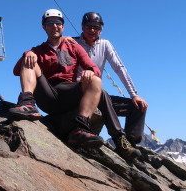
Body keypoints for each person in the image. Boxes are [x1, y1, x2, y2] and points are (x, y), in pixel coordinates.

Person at [9, 9, 141, 160]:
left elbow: (94, 68)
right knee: (29, 60)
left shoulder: (72, 45)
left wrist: (90, 72)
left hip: (68, 92)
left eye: (58, 23)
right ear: (44, 27)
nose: (54, 26)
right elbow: (16, 71)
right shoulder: (38, 50)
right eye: (50, 23)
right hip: (47, 92)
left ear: (63, 27)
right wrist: (28, 53)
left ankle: (85, 130)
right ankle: (27, 102)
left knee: (98, 84)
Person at [73, 12, 148, 146]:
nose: (92, 30)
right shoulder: (72, 43)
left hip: (97, 95)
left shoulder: (105, 44)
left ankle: (129, 144)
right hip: (77, 92)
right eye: (88, 26)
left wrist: (134, 95)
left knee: (137, 107)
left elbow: (119, 68)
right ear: (82, 27)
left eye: (96, 27)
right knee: (104, 94)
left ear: (101, 30)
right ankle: (120, 140)